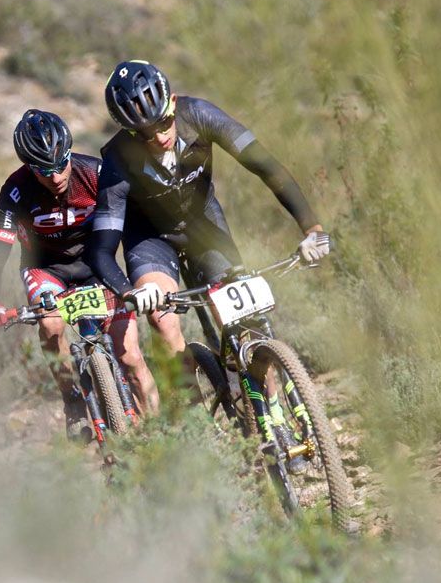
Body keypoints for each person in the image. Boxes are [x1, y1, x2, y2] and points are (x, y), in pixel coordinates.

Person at [86, 61, 331, 467]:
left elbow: (266, 166)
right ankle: (199, 435)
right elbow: (101, 248)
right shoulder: (117, 159)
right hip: (151, 240)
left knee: (248, 322)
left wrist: (312, 228)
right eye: (144, 133)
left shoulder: (200, 114)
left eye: (164, 123)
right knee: (163, 320)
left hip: (203, 226)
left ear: (173, 103)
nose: (159, 136)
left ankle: (272, 412)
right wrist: (130, 292)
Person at [0, 109, 157, 440]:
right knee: (50, 325)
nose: (56, 175)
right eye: (44, 170)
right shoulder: (15, 191)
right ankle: (72, 399)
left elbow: (137, 220)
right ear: (29, 167)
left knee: (132, 358)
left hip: (98, 266)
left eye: (62, 164)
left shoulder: (95, 173)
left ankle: (161, 438)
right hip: (46, 269)